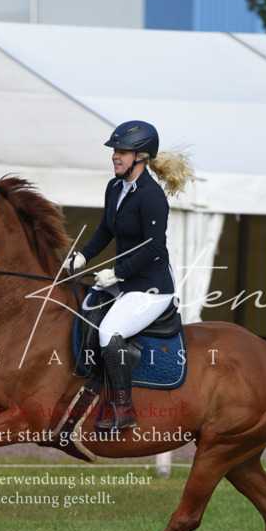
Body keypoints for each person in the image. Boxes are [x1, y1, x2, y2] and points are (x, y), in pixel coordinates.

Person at [65, 120, 194, 431]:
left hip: (150, 289)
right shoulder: (115, 187)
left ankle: (124, 410)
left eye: (122, 152)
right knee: (84, 310)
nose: (115, 156)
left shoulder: (152, 196)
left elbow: (155, 249)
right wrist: (84, 254)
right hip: (124, 283)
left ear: (141, 157)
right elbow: (107, 229)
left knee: (109, 332)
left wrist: (117, 272)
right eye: (115, 151)